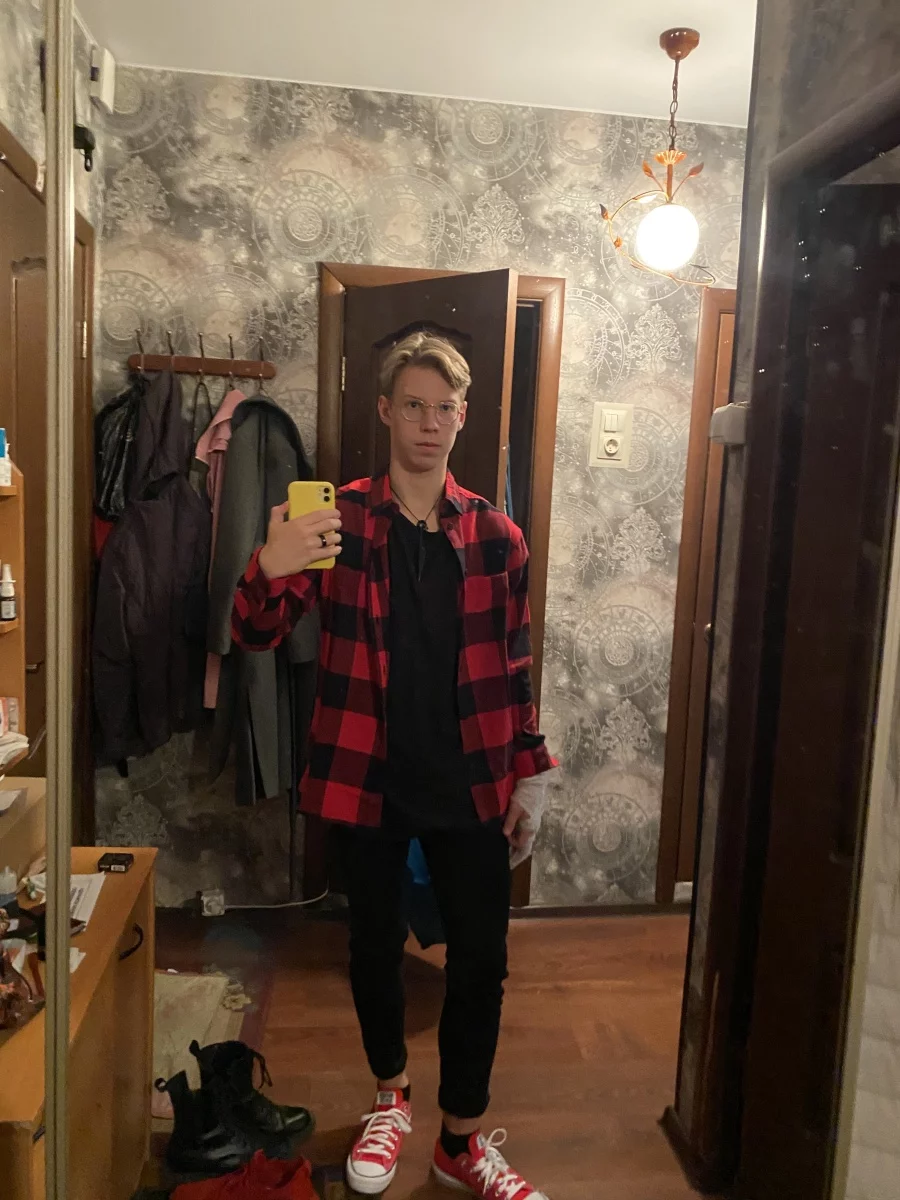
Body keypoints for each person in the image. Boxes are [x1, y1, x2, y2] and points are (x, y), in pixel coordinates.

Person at [232, 331, 556, 1198]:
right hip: (364, 773)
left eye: (444, 407)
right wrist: (268, 566)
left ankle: (460, 1142)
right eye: (413, 405)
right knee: (373, 948)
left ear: (463, 417)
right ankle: (390, 1096)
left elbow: (515, 662)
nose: (429, 422)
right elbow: (255, 633)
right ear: (384, 410)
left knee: (481, 964)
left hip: (472, 777)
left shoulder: (498, 536)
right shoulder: (336, 522)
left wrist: (530, 772)